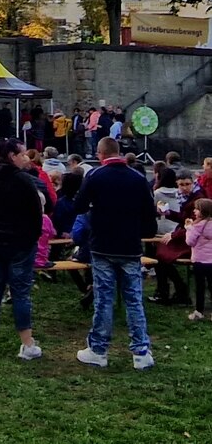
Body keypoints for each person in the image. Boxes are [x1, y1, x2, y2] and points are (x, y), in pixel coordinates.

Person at [72, 135, 157, 369]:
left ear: (100, 154)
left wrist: (93, 211)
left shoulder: (95, 176)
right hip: (129, 245)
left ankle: (98, 349)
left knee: (104, 298)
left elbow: (78, 206)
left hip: (102, 245)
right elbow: (150, 219)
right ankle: (141, 352)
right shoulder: (138, 178)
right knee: (133, 299)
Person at [0, 137, 43, 360]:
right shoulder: (24, 181)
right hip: (19, 242)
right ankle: (27, 343)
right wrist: (32, 237)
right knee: (20, 291)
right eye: (23, 154)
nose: (26, 157)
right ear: (12, 156)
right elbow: (36, 213)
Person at [152, 169, 199, 307]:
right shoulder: (187, 197)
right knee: (160, 253)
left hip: (193, 239)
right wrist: (167, 213)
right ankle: (176, 290)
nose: (184, 188)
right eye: (181, 185)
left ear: (192, 183)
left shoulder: (198, 198)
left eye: (187, 184)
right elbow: (184, 219)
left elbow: (195, 225)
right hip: (185, 234)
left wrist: (173, 235)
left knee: (161, 255)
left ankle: (175, 290)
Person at [184, 198, 212, 322]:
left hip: (199, 261)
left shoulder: (197, 226)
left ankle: (199, 311)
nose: (194, 211)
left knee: (200, 286)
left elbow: (190, 241)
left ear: (203, 211)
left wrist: (188, 228)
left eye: (196, 209)